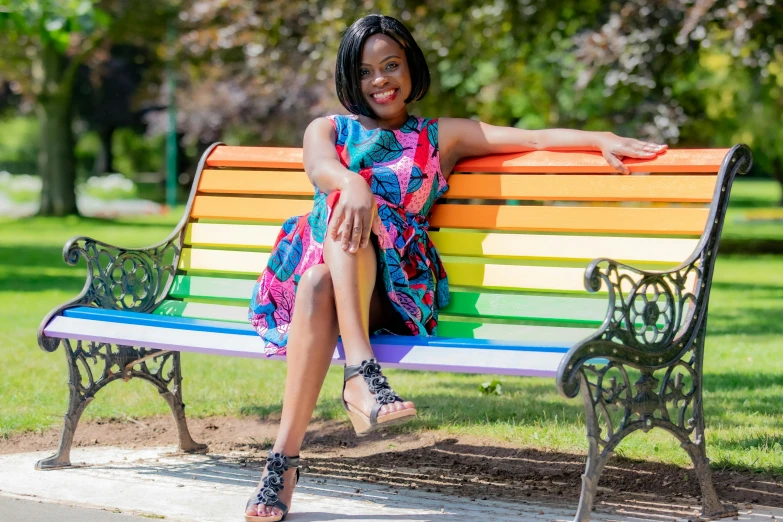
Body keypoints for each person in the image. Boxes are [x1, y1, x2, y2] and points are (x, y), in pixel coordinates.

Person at [244, 13, 666, 521]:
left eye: (391, 65)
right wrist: (353, 185)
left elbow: (530, 139)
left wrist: (598, 137)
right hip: (321, 274)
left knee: (339, 240)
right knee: (321, 267)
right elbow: (320, 169)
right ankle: (336, 400)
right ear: (349, 79)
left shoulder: (440, 136)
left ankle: (323, 417)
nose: (381, 80)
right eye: (365, 71)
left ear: (410, 68)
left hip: (397, 288)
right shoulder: (327, 129)